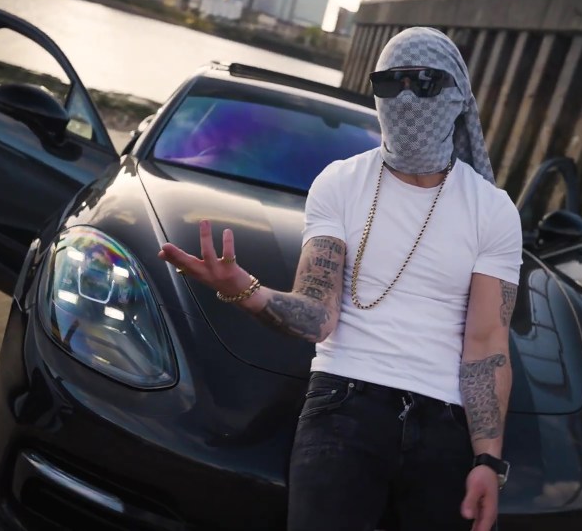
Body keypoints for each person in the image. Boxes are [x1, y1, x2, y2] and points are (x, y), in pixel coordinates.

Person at [159, 27, 522, 531]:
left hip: (445, 423)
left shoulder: (493, 210)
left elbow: (486, 343)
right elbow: (317, 313)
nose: (406, 96)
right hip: (344, 404)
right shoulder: (340, 183)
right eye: (390, 82)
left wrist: (487, 461)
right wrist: (244, 289)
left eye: (424, 82)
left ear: (458, 92)